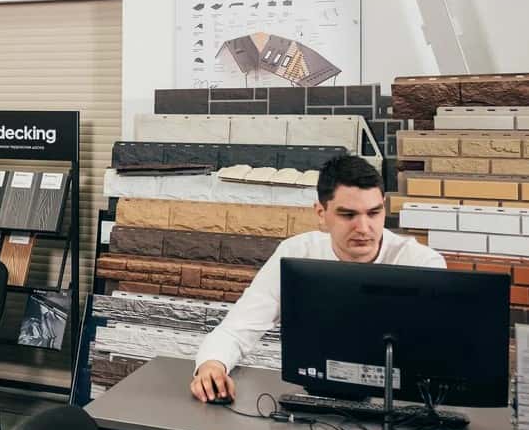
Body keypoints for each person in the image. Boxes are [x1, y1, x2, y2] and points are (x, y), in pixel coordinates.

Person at [189, 155, 446, 403]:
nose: (364, 228)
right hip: (317, 401)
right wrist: (212, 364)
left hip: (403, 407)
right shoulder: (297, 253)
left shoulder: (420, 263)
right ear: (321, 213)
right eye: (348, 215)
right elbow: (238, 327)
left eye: (374, 213)